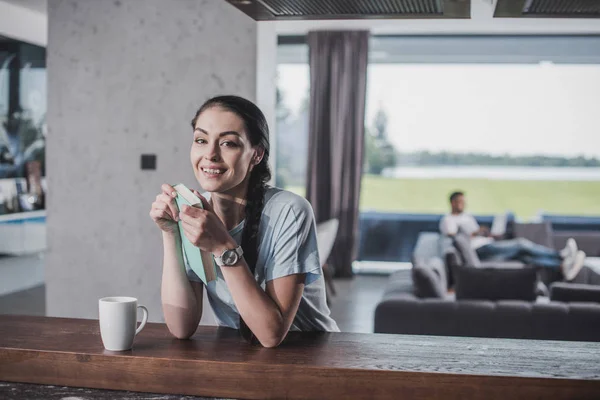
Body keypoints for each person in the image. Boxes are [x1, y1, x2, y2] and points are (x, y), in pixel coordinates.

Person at [149, 95, 339, 347]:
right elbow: (181, 327)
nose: (211, 154)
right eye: (201, 140)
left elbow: (271, 335)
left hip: (310, 353)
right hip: (242, 355)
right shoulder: (195, 212)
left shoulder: (290, 212)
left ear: (256, 154)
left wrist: (222, 247)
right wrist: (171, 233)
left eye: (228, 143)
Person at [439, 191, 587, 281]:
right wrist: (474, 233)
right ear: (452, 202)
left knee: (523, 256)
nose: (463, 204)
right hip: (479, 249)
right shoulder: (448, 219)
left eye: (464, 202)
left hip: (486, 242)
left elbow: (475, 232)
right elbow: (453, 236)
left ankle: (560, 267)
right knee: (521, 244)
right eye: (460, 202)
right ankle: (560, 255)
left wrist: (485, 232)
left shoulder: (467, 216)